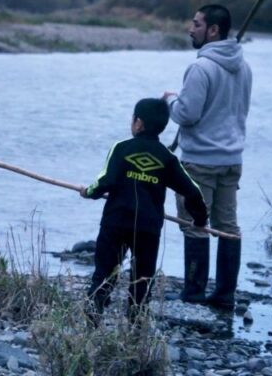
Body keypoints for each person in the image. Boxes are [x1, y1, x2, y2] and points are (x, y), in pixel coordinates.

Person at [80, 98, 208, 320]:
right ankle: (136, 325)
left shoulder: (121, 149)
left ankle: (93, 317)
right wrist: (199, 219)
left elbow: (105, 181)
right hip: (148, 228)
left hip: (116, 222)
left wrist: (88, 192)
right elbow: (193, 191)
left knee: (105, 272)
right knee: (142, 278)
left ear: (138, 123)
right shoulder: (168, 158)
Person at [163, 4, 252, 309]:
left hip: (200, 161)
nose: (191, 28)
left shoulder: (200, 68)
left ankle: (194, 293)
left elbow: (187, 115)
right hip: (232, 160)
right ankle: (225, 295)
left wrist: (170, 101)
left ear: (213, 30)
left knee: (194, 224)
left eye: (197, 24)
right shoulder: (244, 67)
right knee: (228, 226)